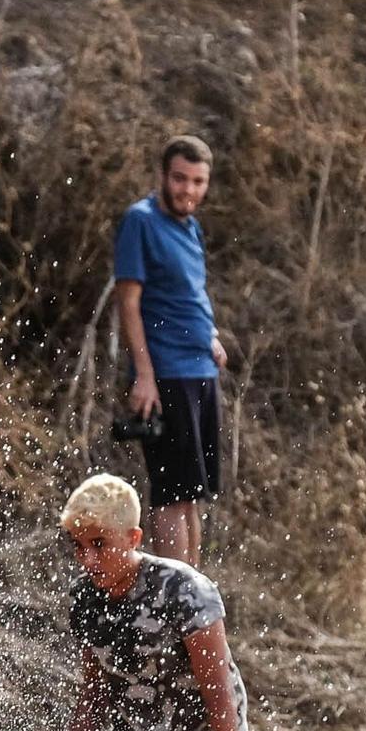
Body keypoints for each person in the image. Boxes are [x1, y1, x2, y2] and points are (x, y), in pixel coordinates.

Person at [58, 472, 254, 731]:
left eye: (99, 544)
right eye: (78, 546)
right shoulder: (85, 598)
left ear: (133, 538)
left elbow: (221, 697)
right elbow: (94, 697)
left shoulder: (183, 591)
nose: (88, 559)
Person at [114, 134, 227, 569]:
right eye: (181, 179)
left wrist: (210, 335)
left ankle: (193, 598)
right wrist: (143, 374)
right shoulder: (140, 221)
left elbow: (188, 293)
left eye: (198, 181)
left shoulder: (190, 226)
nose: (189, 190)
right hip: (167, 371)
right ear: (163, 175)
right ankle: (174, 602)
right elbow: (129, 303)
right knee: (171, 494)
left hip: (201, 368)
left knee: (192, 495)